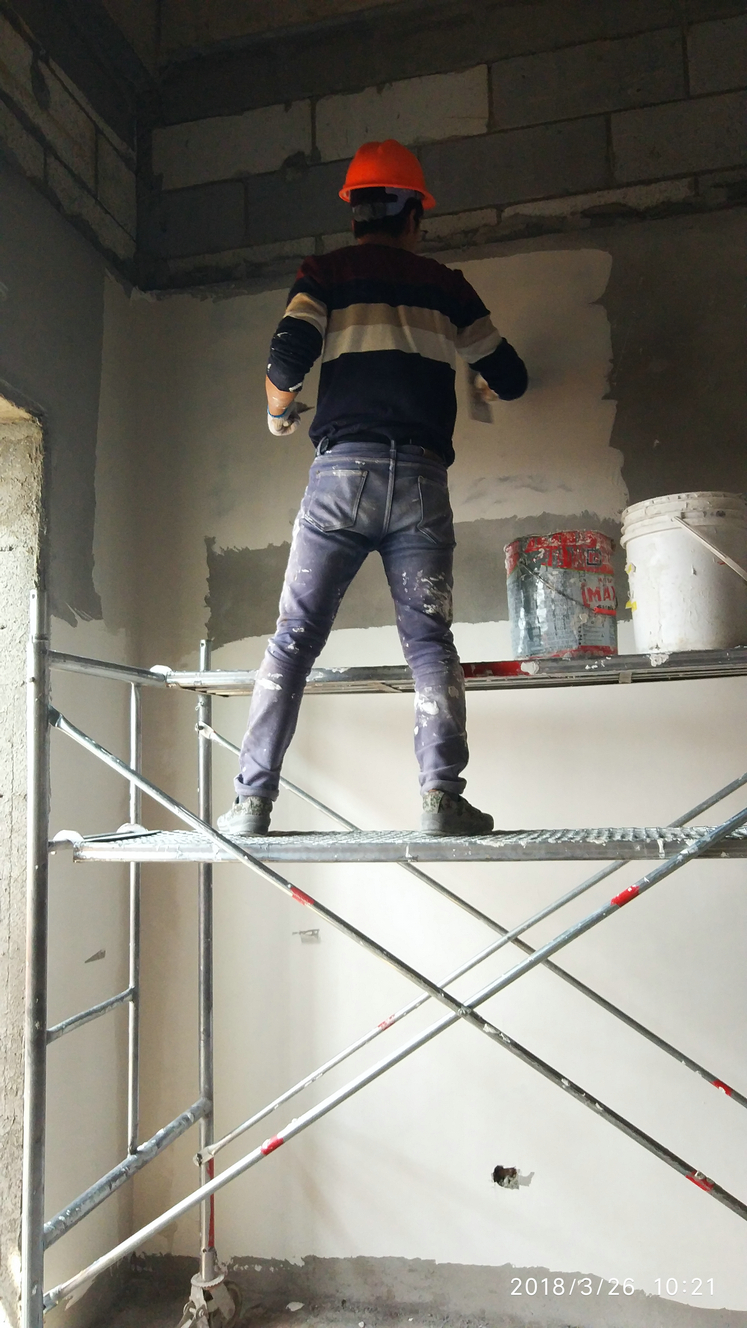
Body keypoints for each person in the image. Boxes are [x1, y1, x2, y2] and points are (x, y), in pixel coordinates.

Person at [218, 139, 527, 839]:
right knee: (429, 643)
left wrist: (276, 412)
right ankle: (441, 799)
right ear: (414, 213)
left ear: (355, 213)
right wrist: (482, 381)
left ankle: (251, 804)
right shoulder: (447, 286)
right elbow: (511, 377)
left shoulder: (325, 274)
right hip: (421, 481)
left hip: (341, 478)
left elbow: (286, 360)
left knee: (294, 640)